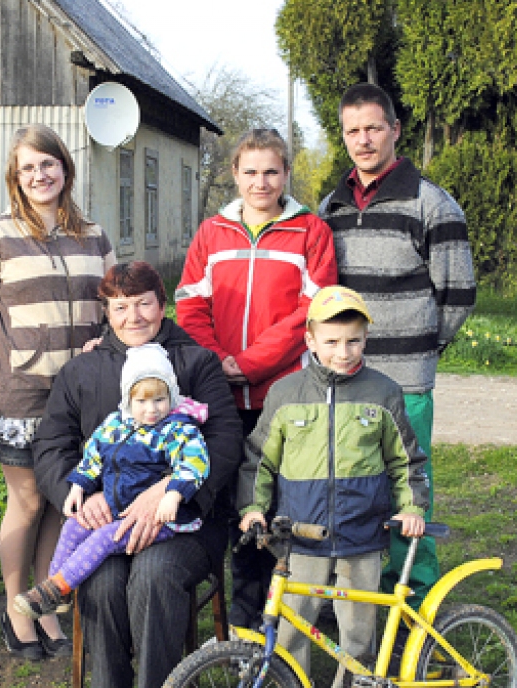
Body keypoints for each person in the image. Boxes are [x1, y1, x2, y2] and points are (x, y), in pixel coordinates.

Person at [34, 261, 243, 688]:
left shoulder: (197, 363)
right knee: (103, 580)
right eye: (120, 307)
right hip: (103, 519)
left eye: (144, 304)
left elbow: (225, 441)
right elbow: (51, 445)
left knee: (154, 576)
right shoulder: (80, 371)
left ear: (162, 304)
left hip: (184, 524)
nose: (133, 318)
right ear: (106, 313)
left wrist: (172, 492)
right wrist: (78, 493)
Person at [0, 124, 116, 660]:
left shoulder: (94, 235)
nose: (39, 175)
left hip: (84, 398)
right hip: (23, 393)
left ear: (64, 169)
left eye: (47, 164)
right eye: (28, 168)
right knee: (26, 502)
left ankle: (42, 605)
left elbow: (116, 309)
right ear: (15, 177)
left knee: (59, 505)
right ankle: (12, 608)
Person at [318, 83, 476, 606]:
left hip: (406, 380)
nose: (363, 141)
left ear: (395, 130)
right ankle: (360, 603)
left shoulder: (432, 203)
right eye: (352, 131)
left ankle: (415, 606)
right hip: (346, 376)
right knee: (354, 491)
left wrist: (423, 350)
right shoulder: (331, 207)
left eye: (373, 128)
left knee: (410, 494)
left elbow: (457, 294)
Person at [175, 127, 338, 630]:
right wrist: (216, 361)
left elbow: (313, 312)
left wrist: (246, 364)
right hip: (219, 399)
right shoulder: (211, 233)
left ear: (286, 173)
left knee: (279, 507)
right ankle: (241, 625)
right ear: (235, 175)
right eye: (250, 172)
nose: (260, 182)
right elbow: (190, 305)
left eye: (271, 171)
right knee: (232, 510)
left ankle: (287, 621)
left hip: (283, 395)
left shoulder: (311, 230)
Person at [238, 285, 429, 686]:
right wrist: (252, 507)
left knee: (359, 634)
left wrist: (412, 507)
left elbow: (406, 460)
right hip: (300, 534)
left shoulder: (383, 392)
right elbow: (259, 459)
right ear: (309, 340)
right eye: (331, 342)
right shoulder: (286, 394)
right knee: (291, 629)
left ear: (365, 338)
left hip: (363, 533)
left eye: (354, 341)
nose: (343, 352)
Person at [14, 342, 210, 619]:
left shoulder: (177, 429)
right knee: (73, 526)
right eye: (142, 401)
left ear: (172, 395)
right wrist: (79, 485)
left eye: (160, 399)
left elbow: (194, 464)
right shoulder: (115, 425)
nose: (151, 410)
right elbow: (93, 456)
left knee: (105, 537)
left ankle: (58, 586)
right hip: (116, 507)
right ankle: (55, 589)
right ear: (129, 400)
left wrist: (173, 495)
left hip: (158, 519)